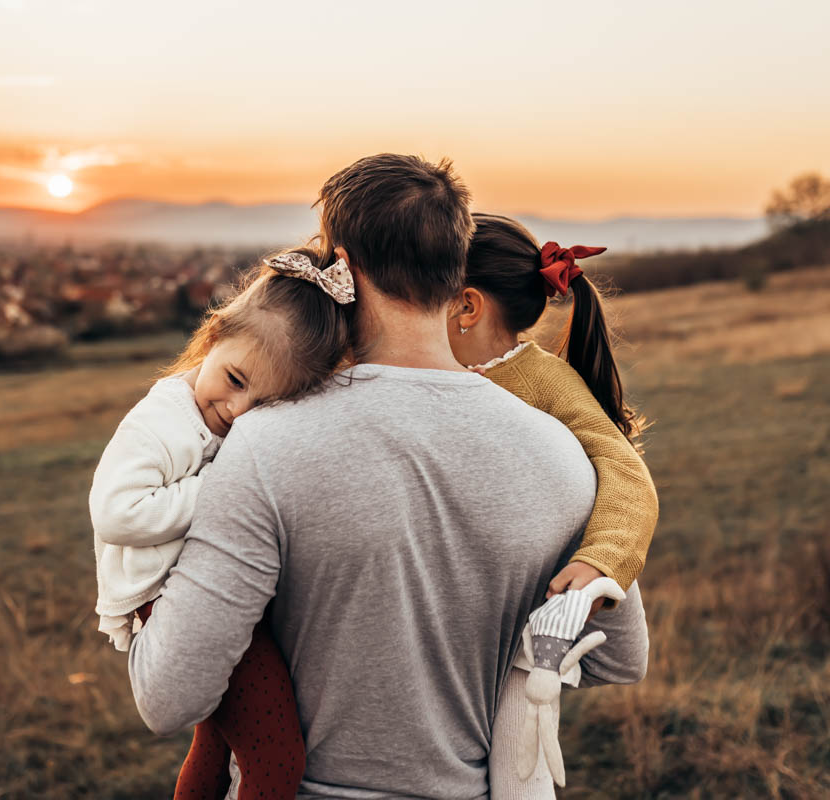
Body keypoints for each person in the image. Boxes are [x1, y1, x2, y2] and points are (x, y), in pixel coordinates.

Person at [129, 154, 649, 799]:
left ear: (341, 266)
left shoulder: (266, 442)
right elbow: (619, 657)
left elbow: (168, 696)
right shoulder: (562, 451)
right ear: (451, 268)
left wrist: (137, 591)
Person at [89, 248, 353, 799]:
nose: (237, 410)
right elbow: (118, 512)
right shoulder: (159, 422)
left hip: (212, 582)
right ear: (212, 336)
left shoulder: (219, 408)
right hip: (168, 594)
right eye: (235, 379)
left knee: (217, 746)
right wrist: (225, 489)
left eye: (262, 404)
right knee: (277, 759)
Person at [444, 213, 659, 798]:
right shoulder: (431, 373)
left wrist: (601, 563)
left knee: (521, 766)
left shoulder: (545, 383)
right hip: (465, 618)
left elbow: (625, 472)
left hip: (531, 622)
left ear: (467, 307)